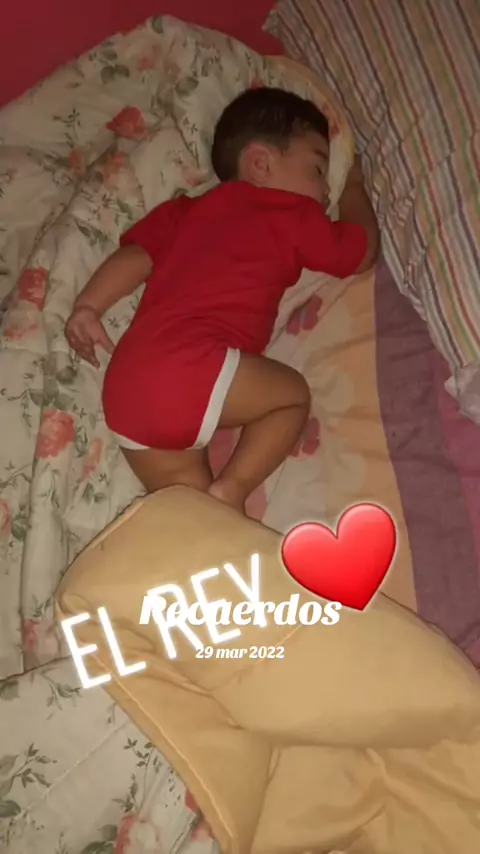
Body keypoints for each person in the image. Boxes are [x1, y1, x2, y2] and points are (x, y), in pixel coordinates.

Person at [65, 87, 379, 514]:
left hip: (127, 388)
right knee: (290, 397)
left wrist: (88, 307)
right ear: (261, 163)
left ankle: (207, 524)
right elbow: (360, 252)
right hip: (191, 366)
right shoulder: (287, 212)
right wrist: (355, 189)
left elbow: (137, 256)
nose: (325, 191)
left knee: (201, 520)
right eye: (318, 168)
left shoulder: (186, 211)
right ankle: (234, 487)